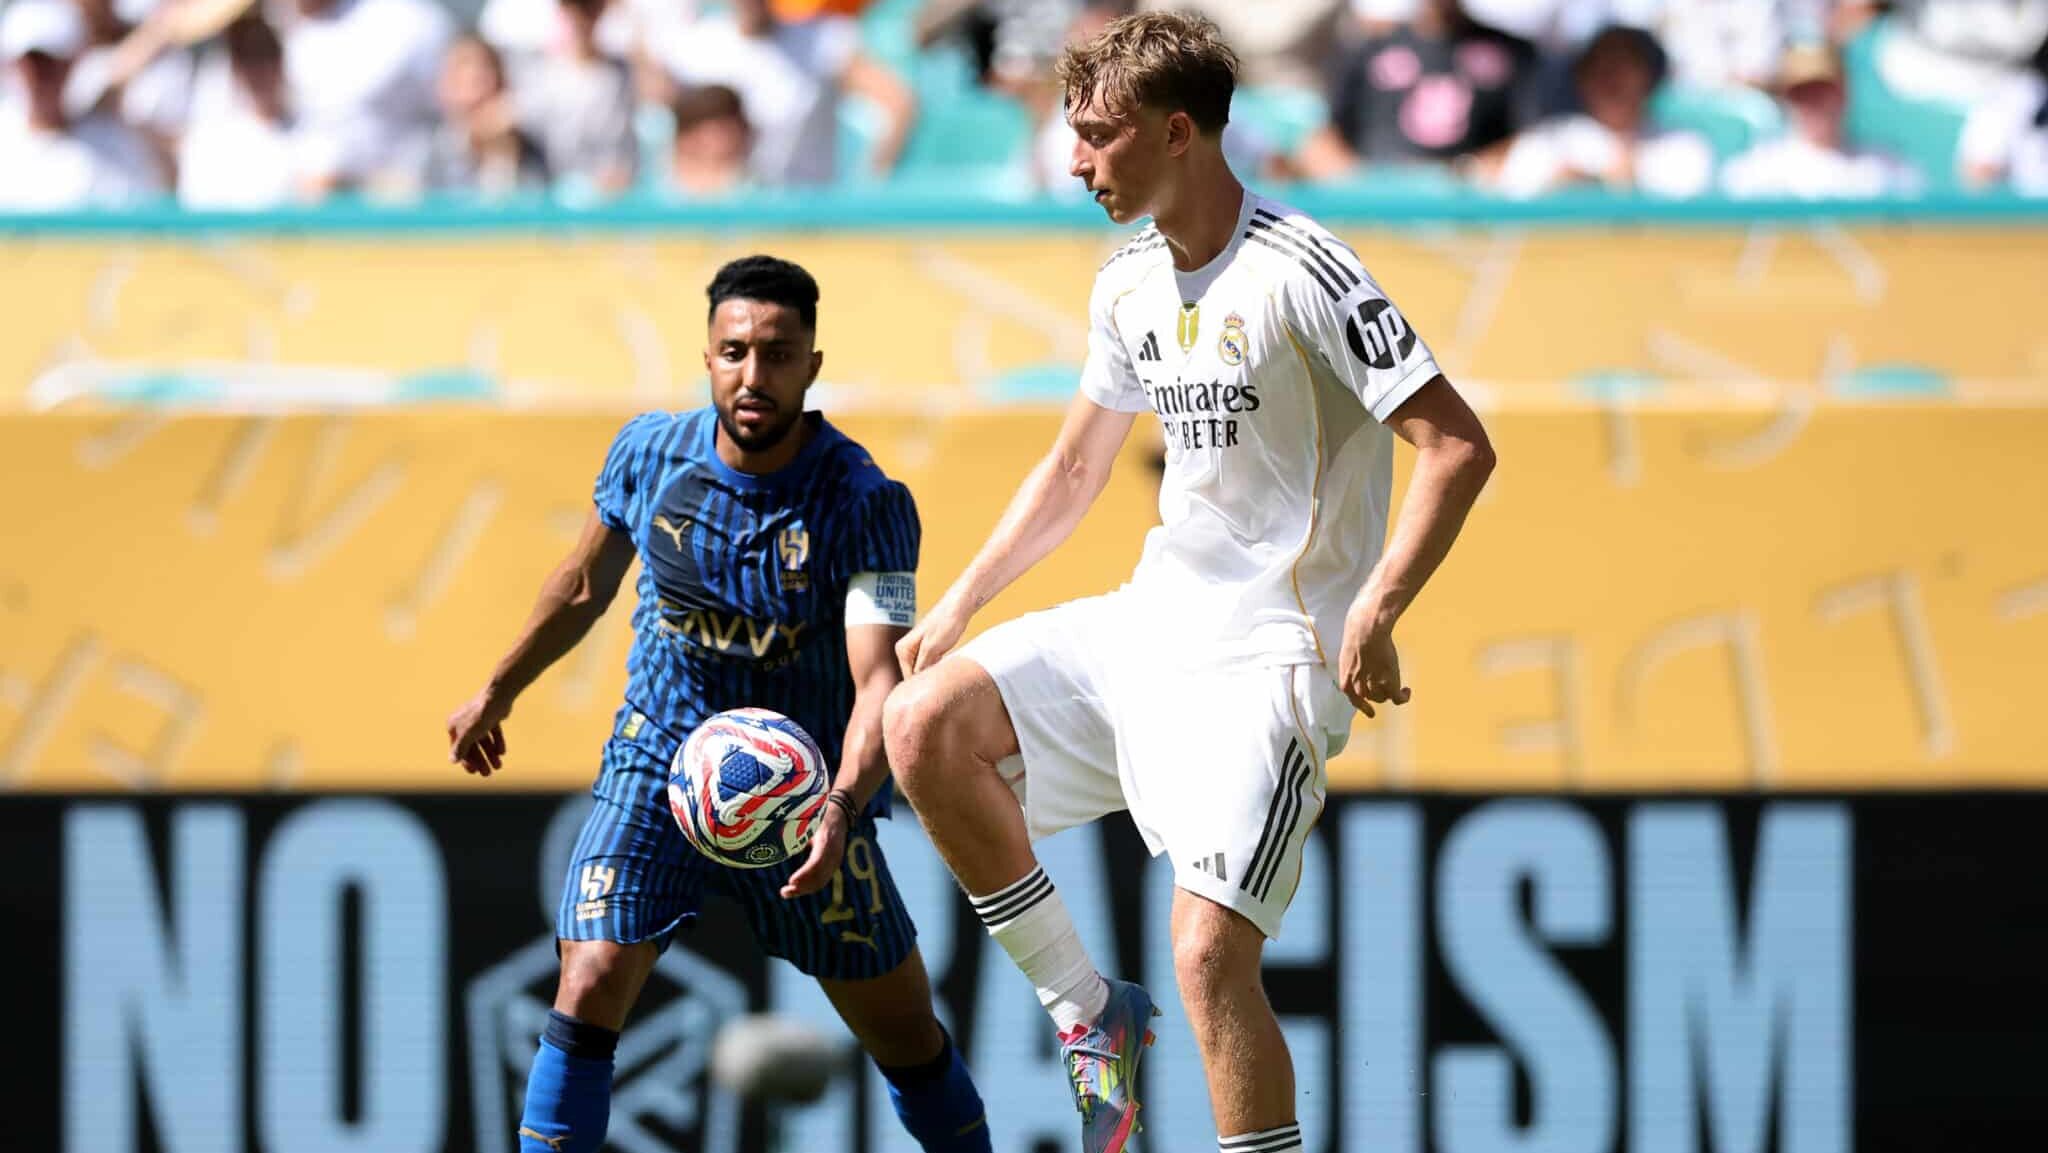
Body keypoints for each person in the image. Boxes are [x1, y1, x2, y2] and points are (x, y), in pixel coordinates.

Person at [882, 12, 1494, 1153]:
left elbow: (1456, 444)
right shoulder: (1124, 284)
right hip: (1151, 630)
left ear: (1176, 134)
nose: (1073, 161)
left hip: (1270, 661)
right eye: (1070, 134)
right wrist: (962, 599)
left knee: (1210, 957)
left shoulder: (1303, 270)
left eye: (1097, 137)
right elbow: (1074, 467)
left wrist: (1378, 603)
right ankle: (1088, 1012)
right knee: (923, 723)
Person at [446, 256, 992, 1153]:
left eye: (778, 355)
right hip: (660, 759)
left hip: (805, 795)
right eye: (734, 351)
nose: (753, 374)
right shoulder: (649, 454)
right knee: (589, 975)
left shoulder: (865, 504)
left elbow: (877, 683)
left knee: (904, 1032)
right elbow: (584, 584)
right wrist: (497, 687)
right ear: (705, 356)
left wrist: (844, 806)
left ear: (813, 366)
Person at [1490, 22, 1713, 197]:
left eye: (1625, 67)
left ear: (1651, 78)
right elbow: (1511, 202)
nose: (1611, 79)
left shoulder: (1685, 147)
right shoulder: (1548, 139)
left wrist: (1625, 181)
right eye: (1600, 67)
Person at [0, 0, 164, 210]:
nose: (37, 77)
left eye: (50, 63)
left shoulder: (115, 144)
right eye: (29, 63)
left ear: (72, 63)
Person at [1722, 41, 1921, 200]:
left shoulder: (1889, 172)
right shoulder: (1752, 176)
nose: (1814, 102)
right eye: (1802, 93)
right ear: (1786, 98)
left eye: (1824, 90)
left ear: (1844, 93)